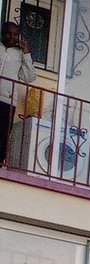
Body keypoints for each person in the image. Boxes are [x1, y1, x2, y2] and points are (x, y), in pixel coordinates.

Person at [2, 22, 32, 166]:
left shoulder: (20, 54)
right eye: (9, 33)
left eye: (15, 34)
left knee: (2, 134)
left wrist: (26, 54)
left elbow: (29, 77)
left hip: (7, 100)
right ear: (3, 33)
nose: (12, 36)